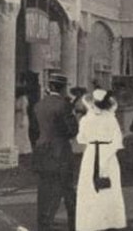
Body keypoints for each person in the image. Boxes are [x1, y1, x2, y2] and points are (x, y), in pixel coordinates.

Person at [32, 74, 78, 231]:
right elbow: (72, 130)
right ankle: (74, 226)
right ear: (63, 88)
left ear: (50, 87)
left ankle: (43, 226)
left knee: (44, 192)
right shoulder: (64, 105)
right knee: (67, 192)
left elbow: (33, 131)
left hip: (42, 153)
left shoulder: (38, 105)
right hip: (61, 154)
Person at [76, 89, 126, 231]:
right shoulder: (111, 118)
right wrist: (106, 155)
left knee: (89, 188)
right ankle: (110, 221)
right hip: (108, 154)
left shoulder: (86, 119)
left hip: (91, 154)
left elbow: (81, 139)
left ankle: (90, 223)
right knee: (110, 187)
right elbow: (118, 140)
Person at [14, 87, 32, 155]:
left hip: (22, 116)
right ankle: (19, 149)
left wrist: (23, 120)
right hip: (17, 116)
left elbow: (24, 110)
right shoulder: (16, 98)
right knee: (17, 133)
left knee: (23, 133)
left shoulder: (23, 98)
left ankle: (25, 149)